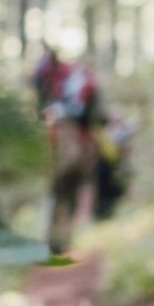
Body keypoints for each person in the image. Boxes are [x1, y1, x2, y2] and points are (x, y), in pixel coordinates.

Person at [33, 47, 106, 254]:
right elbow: (98, 117)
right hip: (80, 146)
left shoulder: (51, 82)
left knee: (55, 194)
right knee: (71, 194)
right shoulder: (87, 83)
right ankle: (64, 239)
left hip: (57, 146)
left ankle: (49, 240)